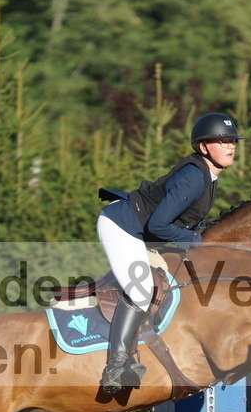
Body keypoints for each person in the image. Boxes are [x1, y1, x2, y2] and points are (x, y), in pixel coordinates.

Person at [96, 112, 242, 394]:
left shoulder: (208, 175)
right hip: (121, 227)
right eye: (222, 141)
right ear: (203, 148)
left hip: (140, 233)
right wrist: (194, 240)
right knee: (141, 292)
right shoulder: (194, 177)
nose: (230, 145)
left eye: (232, 140)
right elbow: (158, 225)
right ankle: (115, 367)